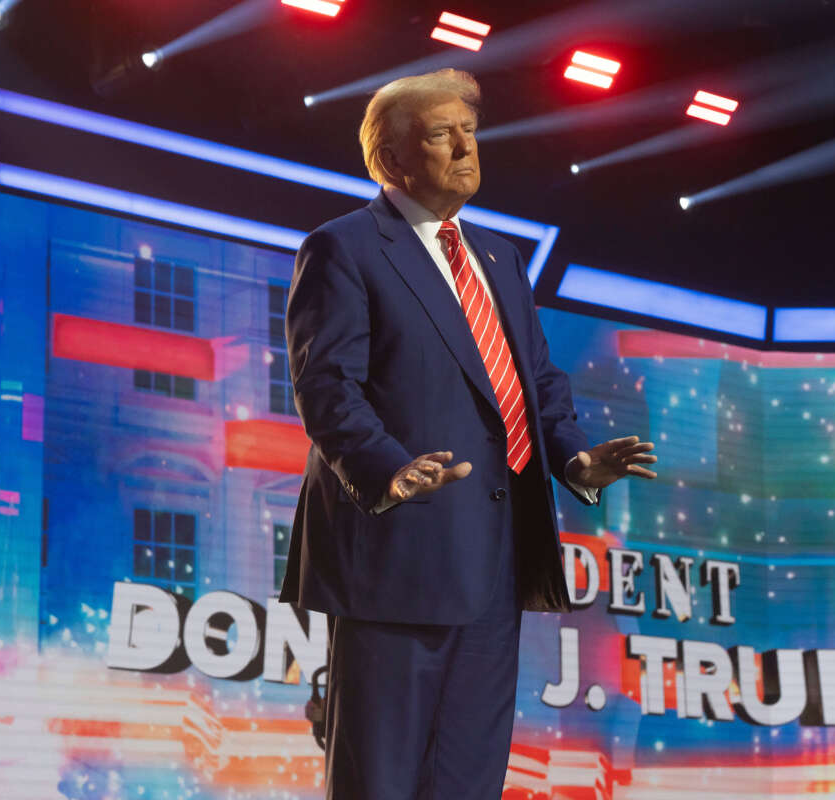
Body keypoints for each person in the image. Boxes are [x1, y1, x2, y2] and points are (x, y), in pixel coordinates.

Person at [278, 68, 658, 800]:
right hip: (397, 558)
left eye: (471, 130)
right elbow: (325, 385)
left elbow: (536, 384)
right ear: (391, 158)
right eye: (442, 133)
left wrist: (575, 458)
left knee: (467, 782)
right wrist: (388, 469)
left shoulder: (499, 258)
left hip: (494, 565)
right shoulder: (345, 248)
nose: (465, 147)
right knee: (380, 782)